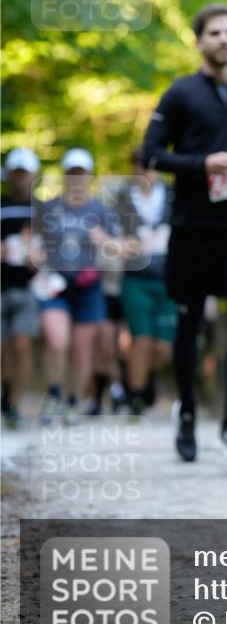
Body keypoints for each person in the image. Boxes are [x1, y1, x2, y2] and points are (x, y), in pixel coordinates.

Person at [143, 2, 227, 462]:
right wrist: (201, 163)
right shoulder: (180, 94)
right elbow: (151, 154)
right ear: (199, 40)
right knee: (189, 324)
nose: (224, 40)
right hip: (192, 231)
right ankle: (186, 413)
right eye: (215, 33)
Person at [34, 148, 122, 422]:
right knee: (57, 341)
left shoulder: (101, 211)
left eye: (81, 173)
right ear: (65, 175)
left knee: (82, 351)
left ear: (89, 176)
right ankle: (54, 395)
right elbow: (33, 242)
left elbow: (120, 248)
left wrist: (104, 241)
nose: (76, 178)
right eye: (72, 173)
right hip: (55, 285)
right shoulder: (49, 209)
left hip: (88, 286)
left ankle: (73, 400)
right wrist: (34, 255)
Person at [116, 149, 177, 415]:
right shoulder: (122, 197)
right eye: (139, 166)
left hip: (168, 278)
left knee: (163, 347)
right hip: (135, 278)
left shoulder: (173, 195)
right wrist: (122, 245)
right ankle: (136, 397)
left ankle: (142, 379)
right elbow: (111, 234)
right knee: (140, 340)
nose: (145, 171)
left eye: (149, 166)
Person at [1, 148, 42, 427]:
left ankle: (14, 404)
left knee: (23, 347)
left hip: (28, 289)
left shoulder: (42, 210)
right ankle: (5, 395)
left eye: (24, 173)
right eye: (16, 173)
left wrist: (38, 256)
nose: (20, 178)